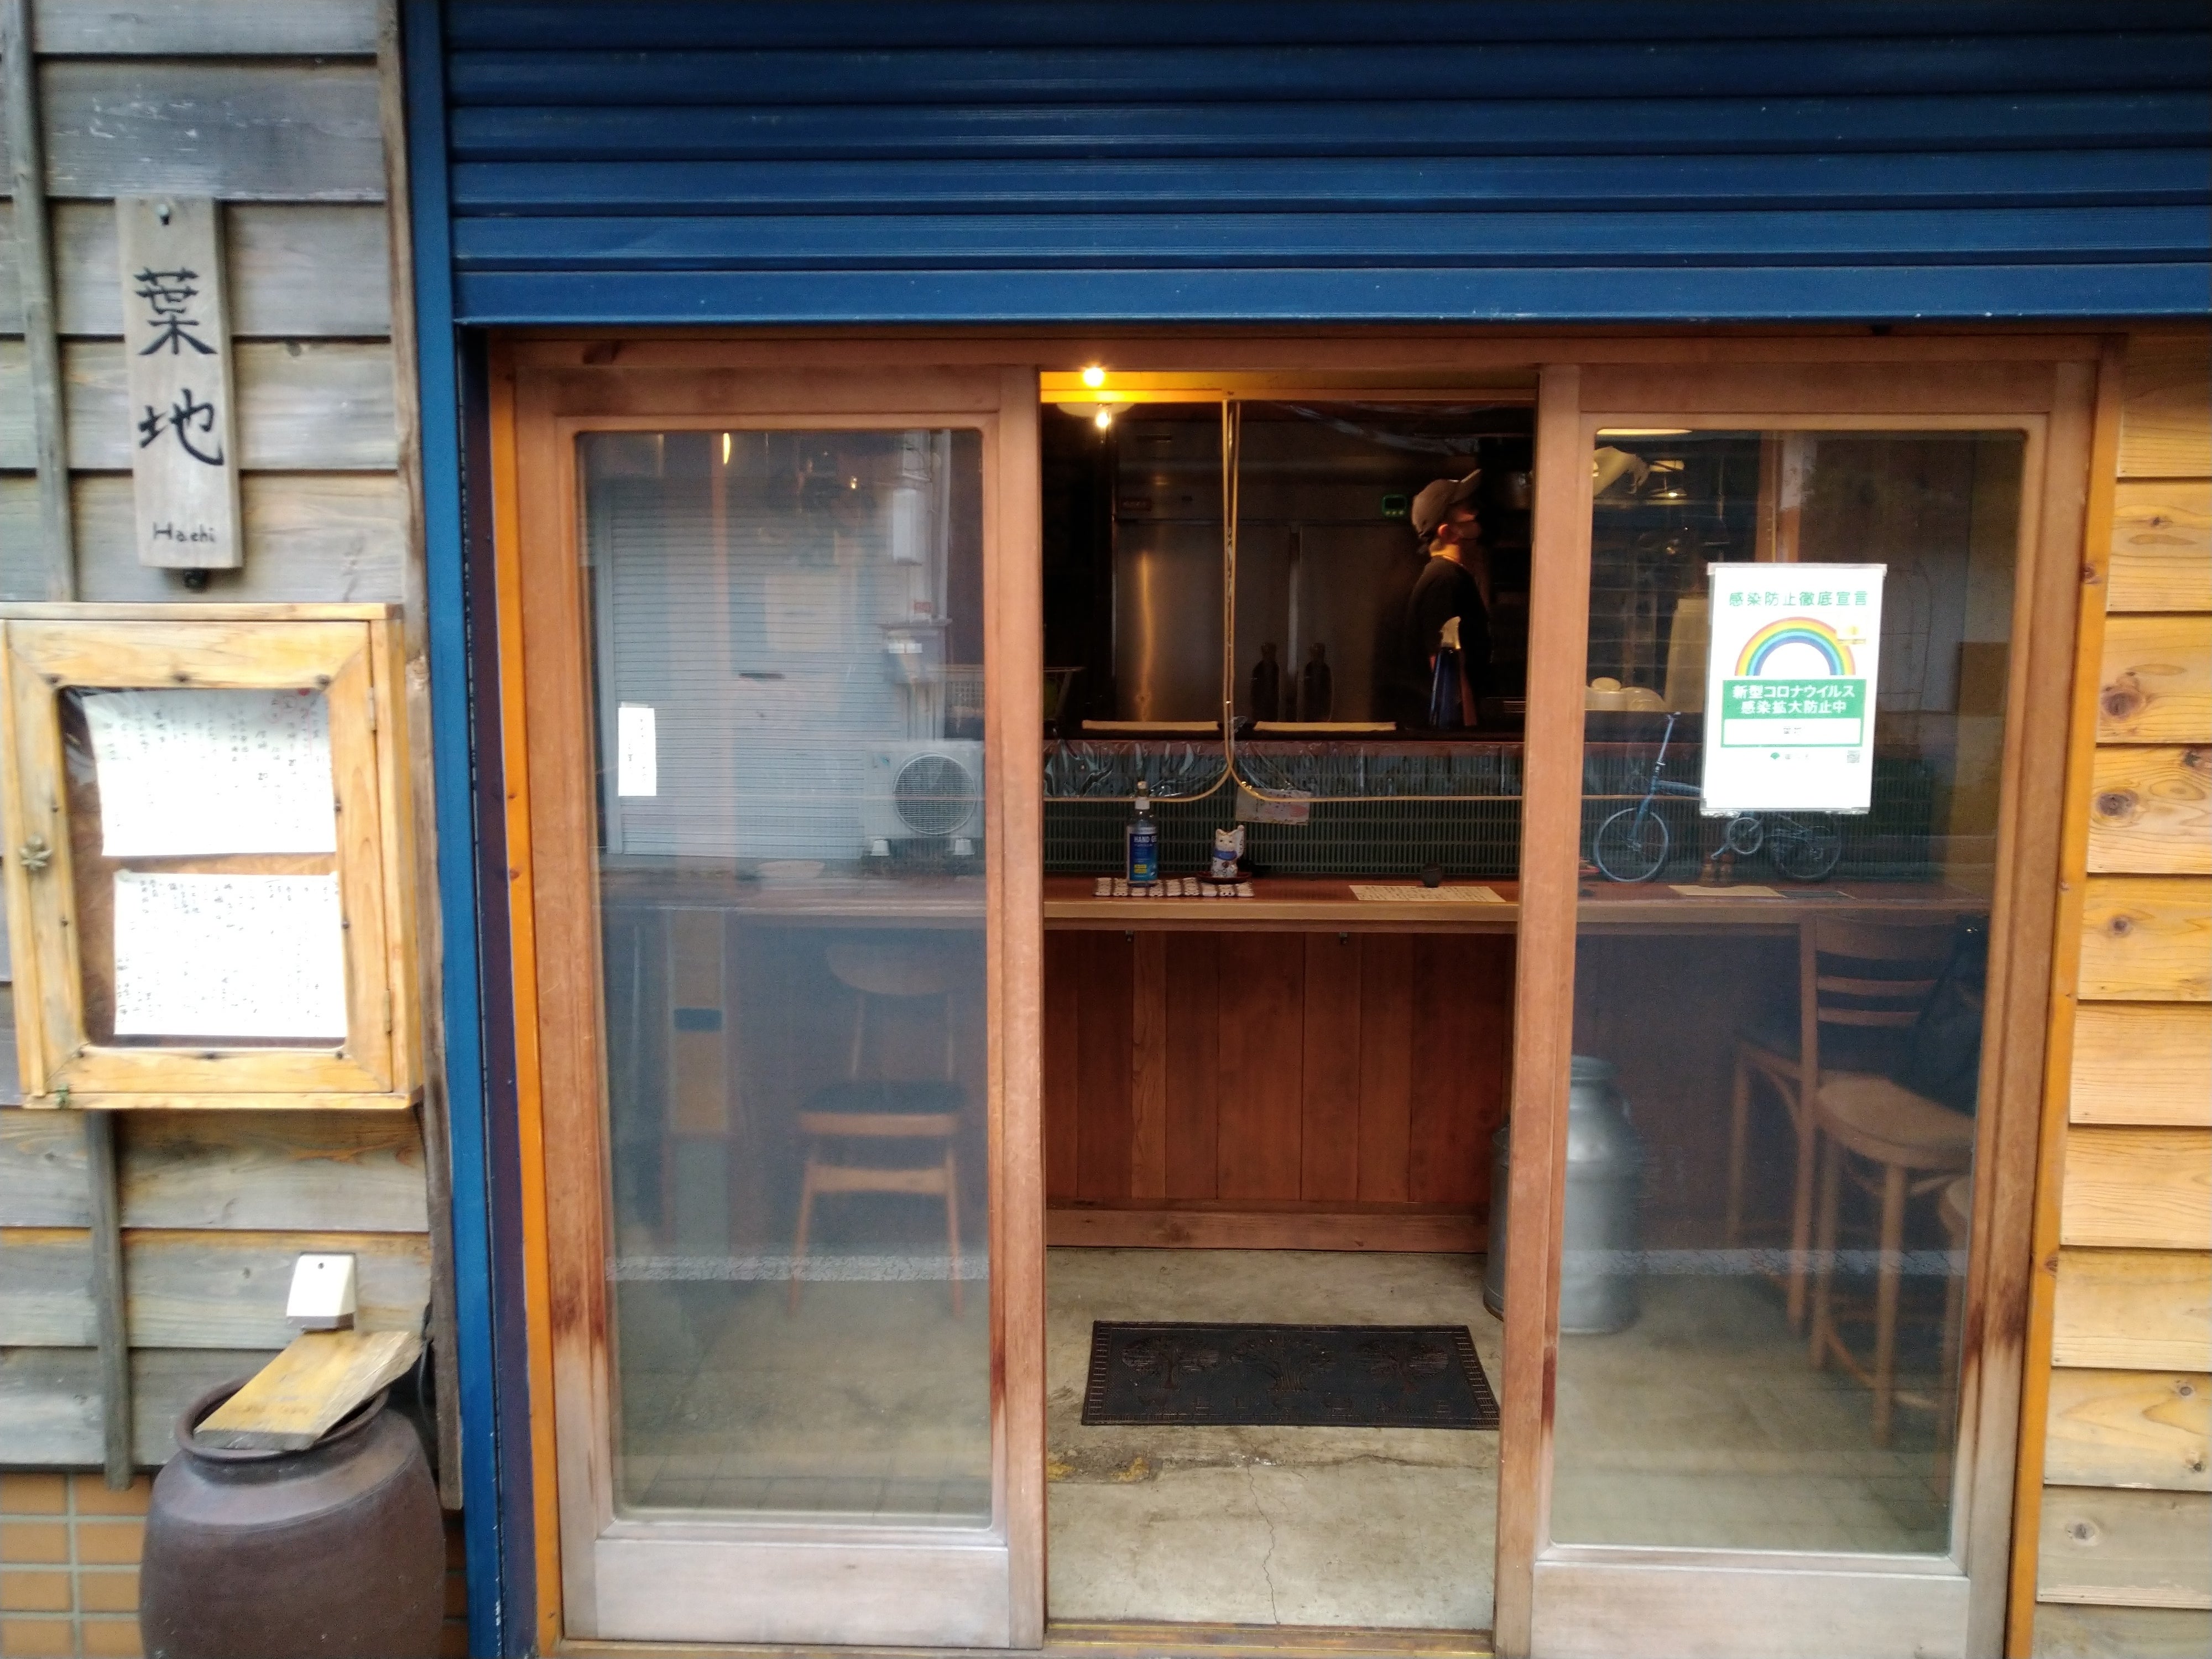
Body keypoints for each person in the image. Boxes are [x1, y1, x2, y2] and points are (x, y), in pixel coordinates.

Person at [1403, 470, 1493, 729]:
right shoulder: (1443, 580)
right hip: (1448, 734)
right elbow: (1447, 667)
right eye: (1468, 509)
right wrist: (1466, 738)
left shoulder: (1453, 576)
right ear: (1447, 532)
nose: (1476, 514)